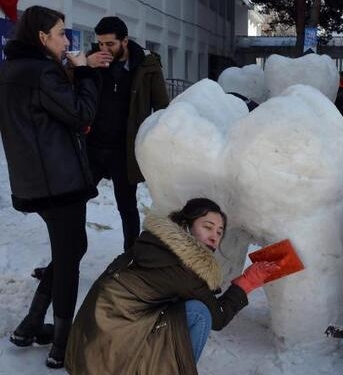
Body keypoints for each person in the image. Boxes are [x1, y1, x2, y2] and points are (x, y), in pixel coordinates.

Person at [65, 198, 279, 374]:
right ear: (186, 226)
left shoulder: (153, 241)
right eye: (208, 227)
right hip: (109, 358)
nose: (214, 236)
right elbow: (218, 317)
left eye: (220, 232)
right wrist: (247, 282)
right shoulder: (185, 269)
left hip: (87, 347)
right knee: (199, 313)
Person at [0, 5, 101, 368]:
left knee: (72, 246)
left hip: (35, 180)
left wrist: (70, 72)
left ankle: (30, 325)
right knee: (71, 255)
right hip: (59, 182)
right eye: (60, 32)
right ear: (43, 38)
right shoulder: (44, 73)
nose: (66, 39)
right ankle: (61, 343)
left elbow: (42, 116)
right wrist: (85, 73)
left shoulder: (11, 69)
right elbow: (81, 113)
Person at [86, 16, 169, 251]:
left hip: (124, 150)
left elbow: (162, 108)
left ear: (124, 41)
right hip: (93, 148)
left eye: (110, 44)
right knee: (73, 204)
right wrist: (84, 66)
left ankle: (131, 258)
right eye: (100, 44)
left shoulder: (147, 66)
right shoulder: (90, 61)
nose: (104, 49)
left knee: (127, 206)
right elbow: (66, 83)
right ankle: (61, 263)